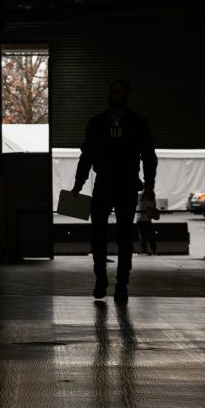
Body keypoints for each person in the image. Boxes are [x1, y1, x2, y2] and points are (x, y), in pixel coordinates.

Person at [72, 79, 158, 302]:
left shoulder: (137, 123)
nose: (113, 94)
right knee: (98, 234)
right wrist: (79, 183)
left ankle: (121, 283)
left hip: (126, 184)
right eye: (111, 90)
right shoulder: (98, 123)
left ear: (127, 94)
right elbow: (87, 155)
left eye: (118, 91)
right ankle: (101, 278)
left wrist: (149, 185)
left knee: (124, 237)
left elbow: (149, 156)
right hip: (106, 183)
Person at [135, 180, 160, 256]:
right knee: (150, 235)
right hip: (147, 219)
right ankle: (153, 250)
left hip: (140, 218)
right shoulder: (152, 196)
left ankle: (145, 250)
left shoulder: (139, 196)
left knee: (143, 236)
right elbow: (154, 207)